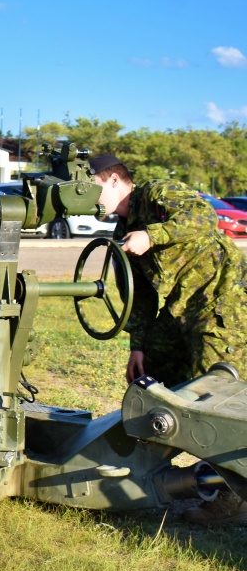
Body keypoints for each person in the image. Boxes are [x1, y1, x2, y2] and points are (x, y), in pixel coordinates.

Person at [90, 153, 247, 525]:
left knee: (216, 396)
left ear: (114, 181)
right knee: (153, 381)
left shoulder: (157, 194)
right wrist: (138, 346)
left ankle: (230, 504)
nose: (88, 198)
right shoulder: (121, 233)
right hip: (179, 311)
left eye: (92, 187)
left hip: (221, 305)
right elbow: (140, 295)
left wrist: (152, 234)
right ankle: (144, 472)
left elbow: (203, 219)